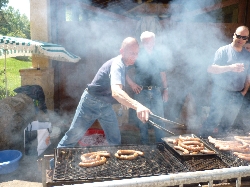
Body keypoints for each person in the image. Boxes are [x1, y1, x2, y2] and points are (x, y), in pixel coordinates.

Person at [57, 37, 151, 148]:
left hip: (105, 105)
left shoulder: (124, 64)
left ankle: (114, 163)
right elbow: (116, 92)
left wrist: (130, 86)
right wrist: (137, 106)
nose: (135, 57)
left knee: (114, 138)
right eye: (132, 53)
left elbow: (121, 76)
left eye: (136, 53)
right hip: (90, 103)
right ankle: (54, 164)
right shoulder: (117, 64)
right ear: (122, 51)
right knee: (72, 137)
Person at [201, 26, 250, 137]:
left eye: (244, 37)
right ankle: (201, 141)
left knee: (227, 124)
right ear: (234, 35)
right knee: (213, 119)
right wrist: (230, 67)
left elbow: (248, 75)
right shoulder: (223, 51)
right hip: (221, 92)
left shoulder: (248, 55)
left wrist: (244, 92)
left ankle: (220, 149)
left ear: (246, 39)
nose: (240, 39)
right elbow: (211, 69)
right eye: (238, 36)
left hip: (238, 94)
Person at [126, 31, 168, 144]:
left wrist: (166, 90)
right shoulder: (137, 54)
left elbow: (163, 73)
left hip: (156, 90)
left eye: (149, 41)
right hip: (141, 91)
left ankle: (161, 144)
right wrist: (131, 84)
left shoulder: (158, 54)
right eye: (144, 41)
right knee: (142, 119)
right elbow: (124, 70)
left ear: (154, 41)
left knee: (159, 119)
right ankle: (145, 144)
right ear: (142, 42)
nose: (147, 43)